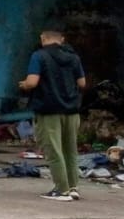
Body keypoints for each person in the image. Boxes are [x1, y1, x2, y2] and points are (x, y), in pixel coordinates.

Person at [19, 29, 87, 202]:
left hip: (49, 110)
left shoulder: (39, 56)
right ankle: (73, 187)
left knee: (54, 149)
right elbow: (82, 83)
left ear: (43, 39)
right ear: (61, 40)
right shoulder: (74, 57)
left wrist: (24, 85)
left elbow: (33, 81)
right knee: (70, 149)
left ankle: (61, 190)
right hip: (71, 110)